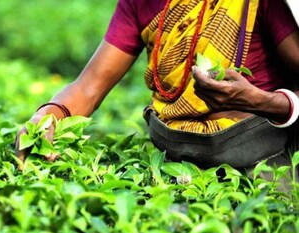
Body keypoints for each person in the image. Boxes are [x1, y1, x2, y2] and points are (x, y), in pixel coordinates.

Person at [15, 0, 299, 170]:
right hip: (174, 163)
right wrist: (46, 117)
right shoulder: (141, 3)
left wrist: (264, 102)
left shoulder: (263, 3)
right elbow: (89, 86)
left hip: (260, 165)